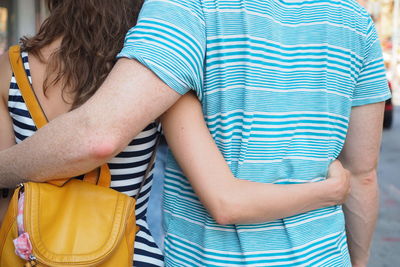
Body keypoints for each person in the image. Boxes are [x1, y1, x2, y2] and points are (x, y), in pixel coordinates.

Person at [0, 0, 390, 266]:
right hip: (320, 254)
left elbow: (95, 135)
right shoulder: (357, 22)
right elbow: (363, 175)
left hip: (32, 248)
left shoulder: (186, 9)